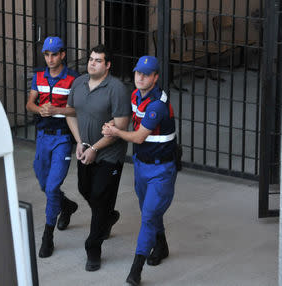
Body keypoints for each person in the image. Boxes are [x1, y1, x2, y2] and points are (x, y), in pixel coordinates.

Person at [102, 56, 178, 286]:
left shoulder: (157, 105)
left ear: (155, 77)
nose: (141, 77)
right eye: (138, 73)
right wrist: (114, 126)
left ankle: (136, 270)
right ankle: (161, 244)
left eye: (146, 74)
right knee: (149, 210)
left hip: (160, 170)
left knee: (147, 217)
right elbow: (133, 125)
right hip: (142, 165)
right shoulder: (136, 95)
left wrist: (114, 132)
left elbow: (138, 136)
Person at [66, 44, 131, 271]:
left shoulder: (117, 89)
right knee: (85, 189)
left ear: (108, 65)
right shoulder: (78, 83)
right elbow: (71, 112)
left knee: (100, 193)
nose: (92, 63)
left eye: (98, 60)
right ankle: (108, 217)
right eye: (91, 59)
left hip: (110, 154)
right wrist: (80, 142)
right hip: (85, 149)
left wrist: (95, 148)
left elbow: (120, 126)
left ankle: (93, 247)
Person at [26, 36, 79, 258]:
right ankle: (66, 206)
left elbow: (77, 110)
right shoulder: (38, 76)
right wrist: (40, 110)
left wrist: (57, 111)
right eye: (47, 54)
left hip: (62, 138)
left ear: (62, 55)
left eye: (54, 54)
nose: (49, 59)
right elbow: (29, 103)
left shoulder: (73, 79)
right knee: (44, 183)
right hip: (42, 137)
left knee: (51, 188)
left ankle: (48, 236)